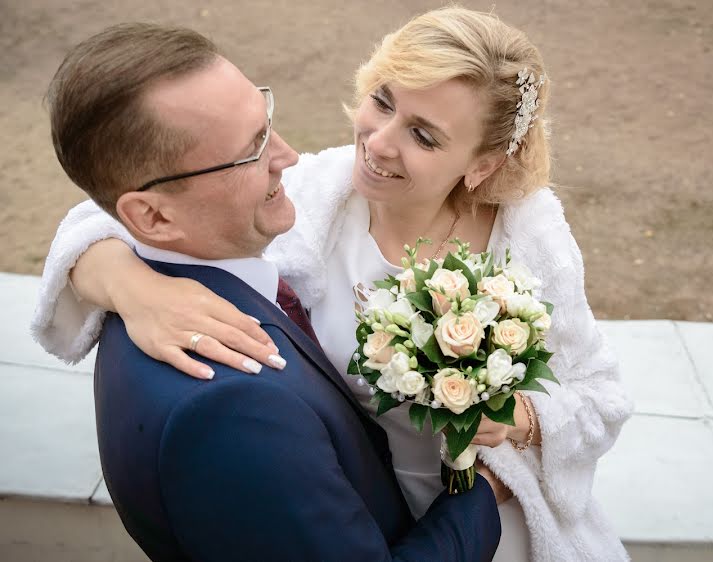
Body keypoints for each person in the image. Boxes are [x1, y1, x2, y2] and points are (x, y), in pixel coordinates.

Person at [34, 8, 633, 561]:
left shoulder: (529, 241)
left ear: (482, 164)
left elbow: (602, 397)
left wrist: (520, 417)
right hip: (369, 507)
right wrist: (133, 285)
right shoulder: (320, 195)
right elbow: (107, 210)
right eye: (382, 100)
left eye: (424, 136)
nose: (377, 142)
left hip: (497, 517)